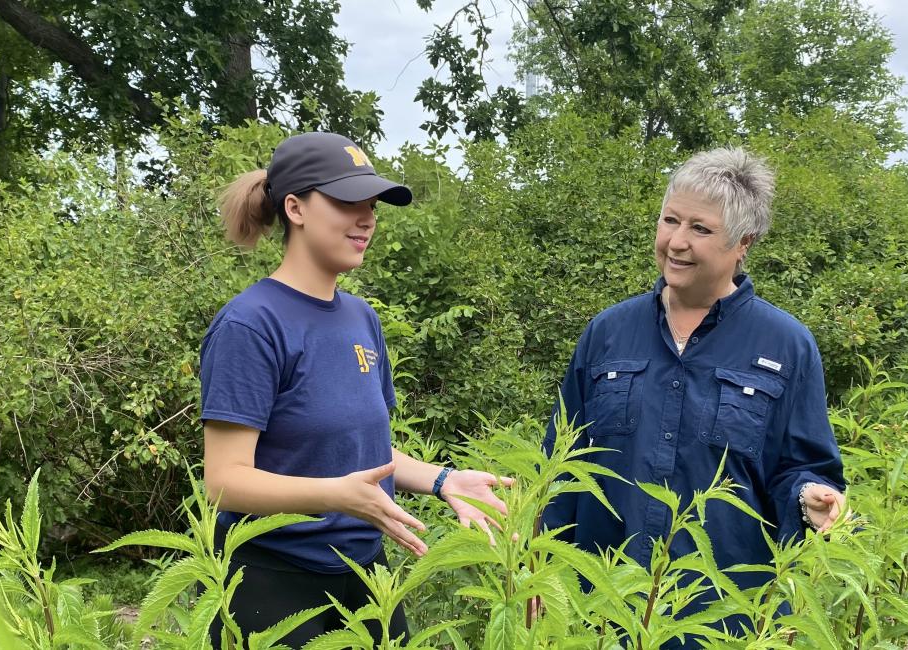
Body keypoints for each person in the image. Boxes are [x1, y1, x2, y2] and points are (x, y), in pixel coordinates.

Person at [201, 132, 512, 647]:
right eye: (348, 202)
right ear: (295, 208)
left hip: (366, 573)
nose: (366, 218)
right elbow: (224, 481)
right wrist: (335, 497)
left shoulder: (360, 317)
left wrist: (443, 480)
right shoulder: (252, 325)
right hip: (274, 580)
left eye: (370, 204)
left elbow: (363, 452)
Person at [541, 147, 846, 646]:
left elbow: (803, 466)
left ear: (743, 242)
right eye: (670, 221)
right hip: (600, 608)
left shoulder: (785, 345)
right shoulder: (608, 332)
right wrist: (543, 562)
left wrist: (809, 497)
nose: (676, 242)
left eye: (700, 229)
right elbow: (563, 459)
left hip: (722, 616)